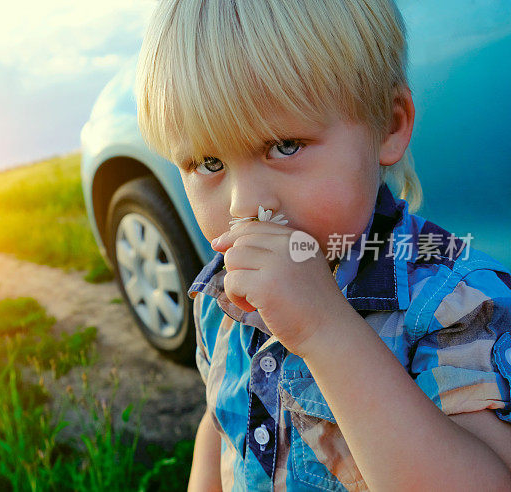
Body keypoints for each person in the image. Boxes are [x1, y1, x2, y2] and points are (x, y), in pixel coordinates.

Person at [134, 0, 511, 490]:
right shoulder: (222, 300)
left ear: (389, 124)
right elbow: (222, 423)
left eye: (284, 146)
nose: (243, 205)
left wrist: (324, 329)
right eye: (208, 162)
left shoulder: (455, 306)